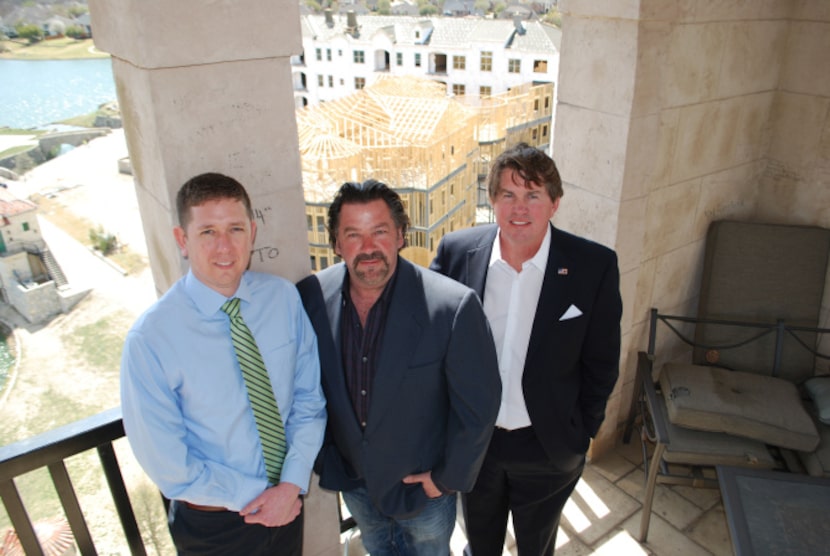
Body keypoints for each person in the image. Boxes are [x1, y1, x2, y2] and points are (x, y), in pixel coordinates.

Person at [430, 143, 622, 555]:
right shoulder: (455, 253)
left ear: (554, 203)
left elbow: (602, 362)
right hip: (474, 446)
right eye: (508, 195)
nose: (520, 208)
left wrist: (582, 432)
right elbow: (430, 346)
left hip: (548, 447)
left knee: (537, 547)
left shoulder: (594, 266)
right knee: (480, 546)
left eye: (533, 195)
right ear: (492, 201)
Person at [120, 172, 327, 555]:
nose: (224, 247)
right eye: (207, 232)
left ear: (252, 231)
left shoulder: (282, 300)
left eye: (234, 229)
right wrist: (263, 497)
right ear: (182, 240)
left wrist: (290, 485)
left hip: (286, 505)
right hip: (213, 527)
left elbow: (309, 401)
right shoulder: (150, 340)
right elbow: (169, 463)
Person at [296, 179, 501, 555]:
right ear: (337, 244)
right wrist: (329, 458)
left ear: (401, 235)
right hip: (355, 484)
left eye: (380, 232)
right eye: (353, 235)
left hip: (423, 491)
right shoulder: (310, 296)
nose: (368, 248)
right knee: (378, 549)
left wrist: (445, 478)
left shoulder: (453, 308)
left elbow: (479, 406)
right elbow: (302, 387)